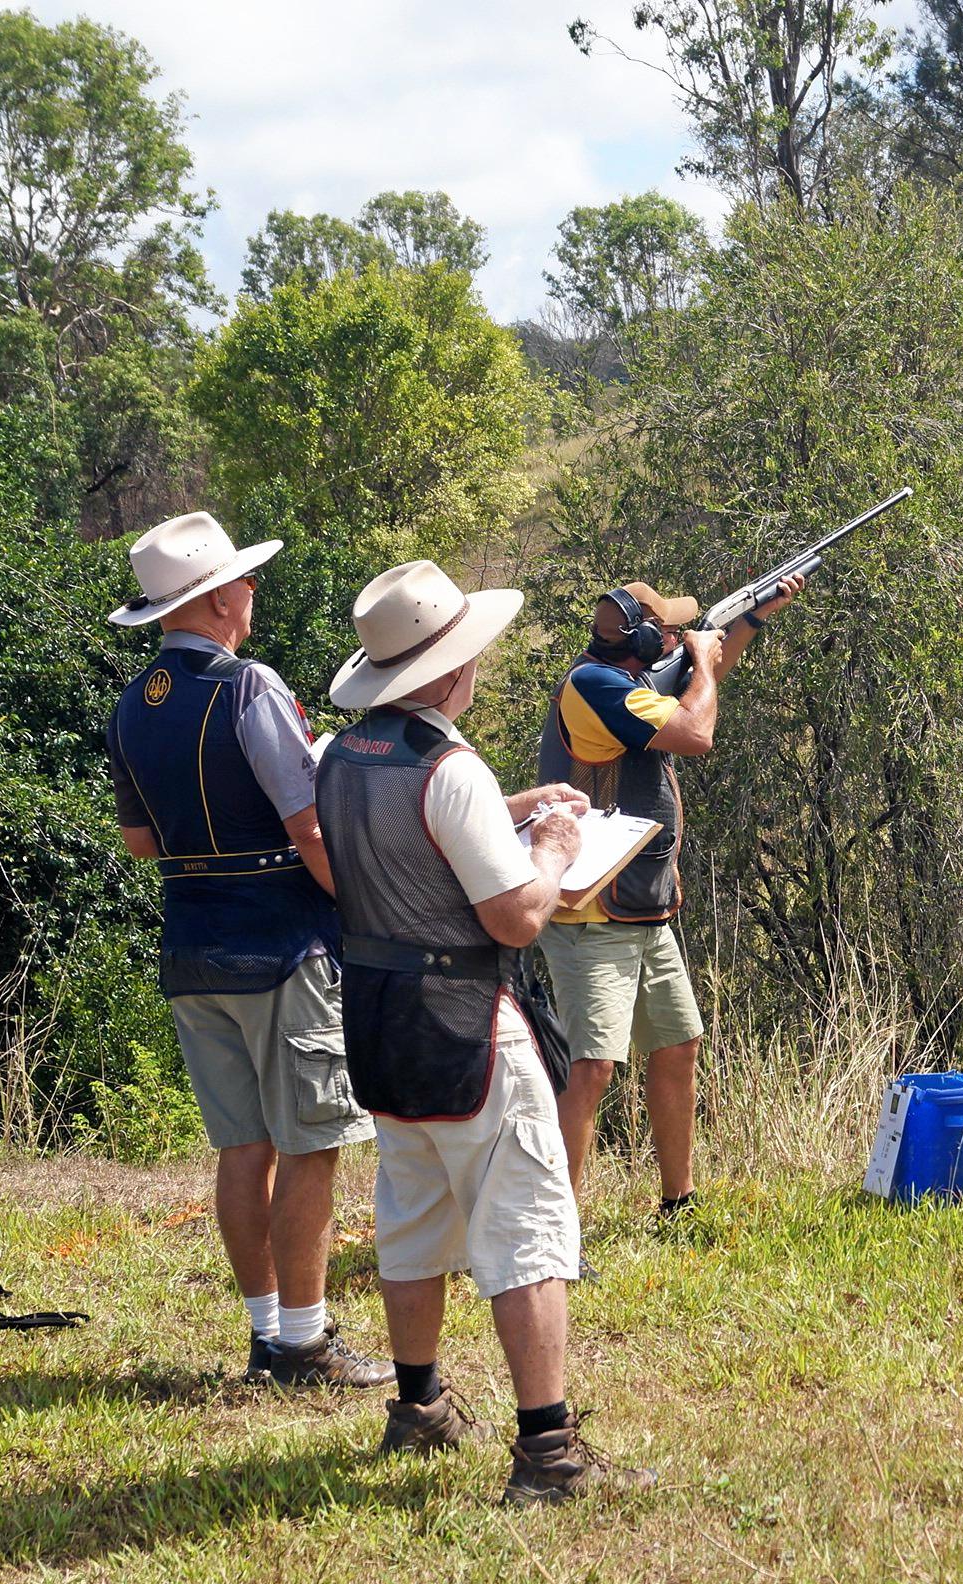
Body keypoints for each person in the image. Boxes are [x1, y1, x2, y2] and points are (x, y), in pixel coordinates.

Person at [318, 559, 651, 1502]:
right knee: (529, 1228)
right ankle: (548, 1451)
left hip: (378, 1014)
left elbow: (392, 844)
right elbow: (515, 919)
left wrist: (507, 815)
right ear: (448, 670)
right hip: (468, 1019)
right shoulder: (449, 765)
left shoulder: (345, 756)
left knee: (413, 1213)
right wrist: (546, 846)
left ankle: (418, 1407)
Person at [104, 512, 390, 1391]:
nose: (252, 592)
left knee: (243, 1147)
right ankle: (305, 1345)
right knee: (310, 1143)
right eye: (248, 581)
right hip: (280, 941)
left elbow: (140, 844)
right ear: (222, 595)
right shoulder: (248, 686)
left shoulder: (127, 704)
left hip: (190, 940)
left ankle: (268, 1335)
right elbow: (307, 822)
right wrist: (370, 904)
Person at [533, 575, 800, 1226]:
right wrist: (704, 661)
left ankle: (679, 1203)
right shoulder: (595, 688)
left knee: (678, 1044)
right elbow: (695, 729)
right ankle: (557, 1231)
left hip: (642, 903)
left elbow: (692, 683)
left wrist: (749, 623)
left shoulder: (623, 682)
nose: (680, 635)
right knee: (592, 1069)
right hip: (593, 910)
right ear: (645, 639)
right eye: (670, 629)